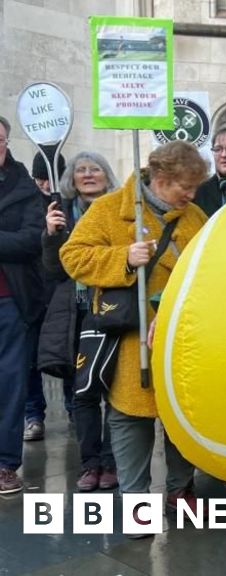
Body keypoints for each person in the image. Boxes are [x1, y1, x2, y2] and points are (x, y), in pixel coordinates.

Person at [60, 141, 209, 526]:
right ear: (160, 179)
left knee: (182, 416)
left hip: (182, 337)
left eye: (195, 188)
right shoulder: (110, 209)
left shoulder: (194, 216)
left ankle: (180, 489)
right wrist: (123, 257)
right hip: (129, 335)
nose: (191, 196)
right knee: (130, 418)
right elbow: (72, 256)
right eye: (184, 187)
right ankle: (135, 501)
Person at [38, 151, 120, 491]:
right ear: (71, 178)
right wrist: (52, 235)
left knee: (115, 391)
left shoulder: (120, 212)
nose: (88, 175)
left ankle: (112, 460)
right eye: (81, 169)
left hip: (112, 310)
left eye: (95, 169)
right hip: (75, 313)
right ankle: (90, 464)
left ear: (107, 175)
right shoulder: (63, 214)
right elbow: (54, 271)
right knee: (81, 393)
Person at [0, 115, 47, 494]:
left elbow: (31, 240)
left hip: (9, 301)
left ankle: (5, 464)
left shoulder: (25, 188)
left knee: (10, 383)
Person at [23, 147, 69, 441]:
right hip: (32, 289)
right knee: (29, 358)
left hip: (61, 289)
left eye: (48, 177)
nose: (46, 184)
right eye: (40, 179)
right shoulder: (28, 202)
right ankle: (33, 415)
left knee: (68, 351)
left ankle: (73, 407)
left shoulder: (68, 201)